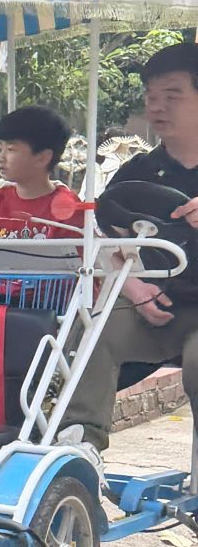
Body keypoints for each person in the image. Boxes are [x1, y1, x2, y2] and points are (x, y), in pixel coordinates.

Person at [69, 40, 198, 450]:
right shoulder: (136, 172)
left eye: (172, 96)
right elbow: (102, 237)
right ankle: (79, 447)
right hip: (153, 306)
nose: (157, 107)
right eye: (151, 96)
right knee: (90, 332)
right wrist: (132, 287)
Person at [0, 107, 88, 241]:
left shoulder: (67, 207)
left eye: (10, 149)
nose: (0, 158)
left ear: (42, 158)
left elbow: (73, 254)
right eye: (0, 148)